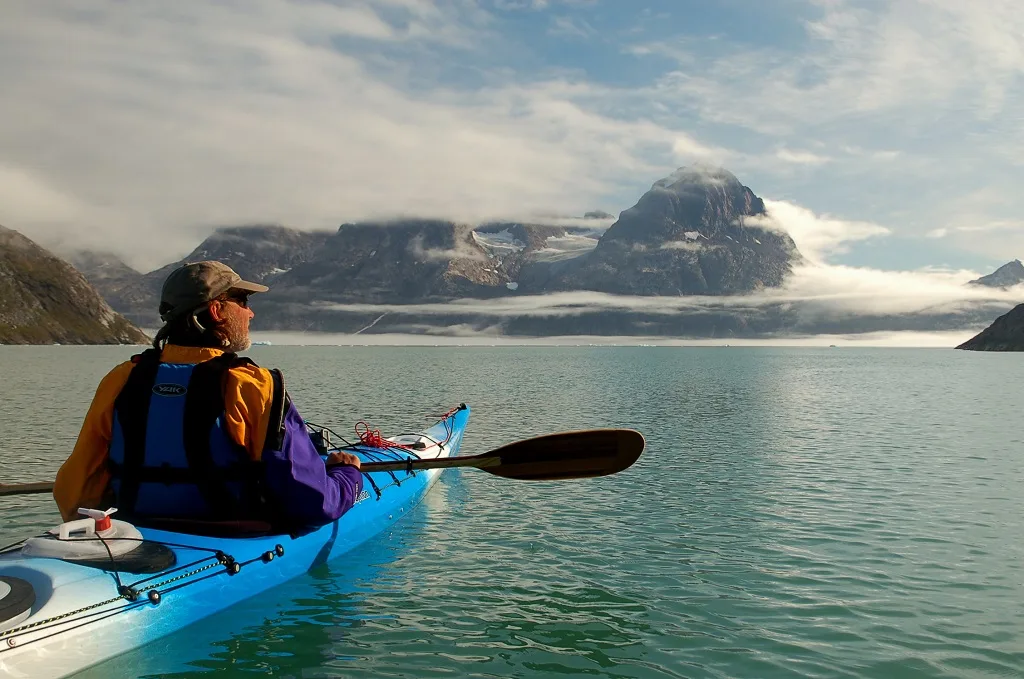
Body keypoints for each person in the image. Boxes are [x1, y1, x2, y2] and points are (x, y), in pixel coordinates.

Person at [53, 260, 363, 530]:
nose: (250, 313)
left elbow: (75, 491)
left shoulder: (121, 378)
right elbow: (313, 503)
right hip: (232, 535)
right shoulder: (251, 385)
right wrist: (347, 474)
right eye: (242, 301)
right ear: (216, 310)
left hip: (136, 529)